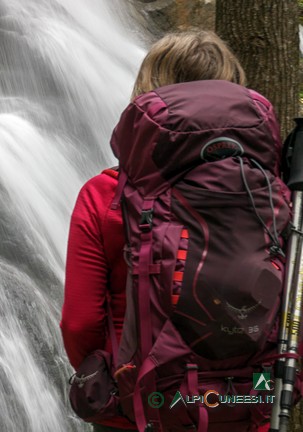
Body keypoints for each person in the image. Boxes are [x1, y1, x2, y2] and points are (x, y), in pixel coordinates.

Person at [60, 29, 274, 432]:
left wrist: (106, 380)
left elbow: (80, 322)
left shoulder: (104, 195)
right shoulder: (269, 196)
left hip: (139, 410)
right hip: (244, 404)